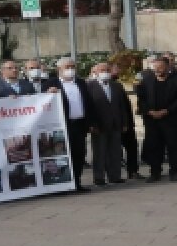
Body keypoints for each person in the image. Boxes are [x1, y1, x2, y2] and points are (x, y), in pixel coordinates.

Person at [42, 57, 93, 192]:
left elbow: (88, 103)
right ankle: (62, 184)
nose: (71, 70)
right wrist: (48, 93)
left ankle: (76, 182)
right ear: (59, 69)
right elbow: (41, 101)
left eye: (73, 67)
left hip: (79, 124)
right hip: (62, 125)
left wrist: (90, 123)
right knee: (62, 154)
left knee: (80, 154)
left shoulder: (81, 83)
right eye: (67, 67)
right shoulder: (51, 83)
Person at [137, 54, 177, 182]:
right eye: (155, 67)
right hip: (152, 120)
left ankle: (174, 171)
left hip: (171, 119)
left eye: (160, 67)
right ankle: (155, 172)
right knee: (154, 146)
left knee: (173, 146)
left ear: (167, 67)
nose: (158, 70)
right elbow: (141, 98)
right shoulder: (147, 80)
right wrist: (149, 111)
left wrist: (167, 110)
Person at [85, 62, 128, 186]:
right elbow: (88, 107)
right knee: (99, 152)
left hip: (115, 124)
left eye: (107, 70)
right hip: (99, 125)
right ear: (96, 72)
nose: (105, 72)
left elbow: (122, 106)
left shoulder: (116, 86)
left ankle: (115, 176)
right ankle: (99, 177)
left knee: (115, 152)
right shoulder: (90, 86)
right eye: (102, 70)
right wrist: (92, 124)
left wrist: (124, 122)